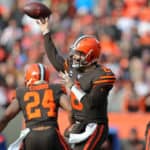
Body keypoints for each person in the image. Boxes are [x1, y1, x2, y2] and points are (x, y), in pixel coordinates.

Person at [37, 17, 116, 150]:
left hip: (95, 125)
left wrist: (72, 87)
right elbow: (55, 58)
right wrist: (46, 33)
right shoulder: (72, 68)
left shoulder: (102, 75)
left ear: (90, 55)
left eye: (79, 53)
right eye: (75, 52)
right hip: (78, 123)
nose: (74, 56)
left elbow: (91, 104)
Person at [0, 63, 71, 150]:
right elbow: (71, 109)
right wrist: (72, 126)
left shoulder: (22, 92)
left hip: (31, 136)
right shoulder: (55, 89)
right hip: (51, 133)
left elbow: (7, 116)